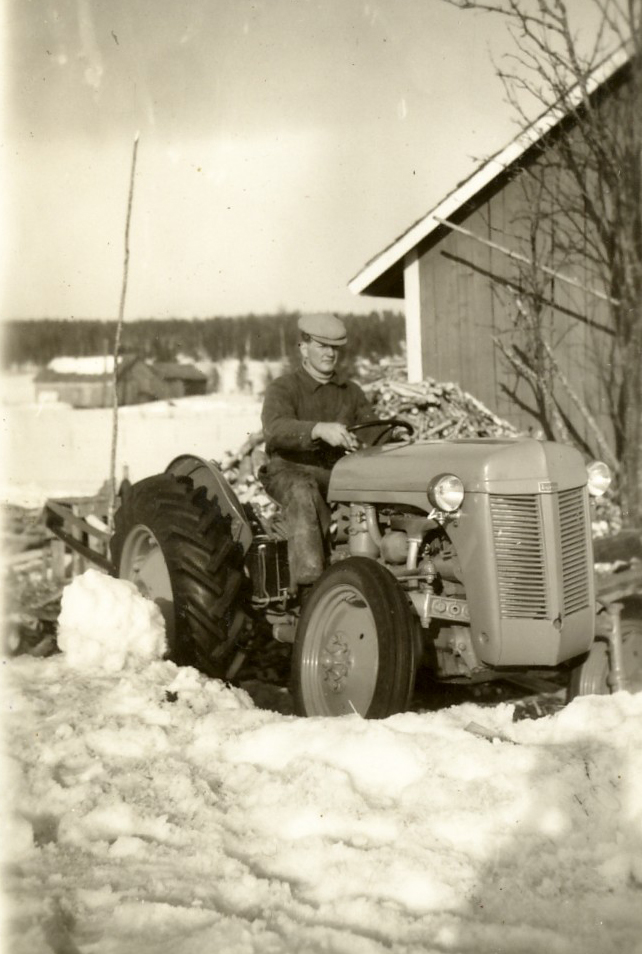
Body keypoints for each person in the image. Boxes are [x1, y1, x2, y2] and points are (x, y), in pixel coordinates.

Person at [260, 313, 373, 588]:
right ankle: (311, 586)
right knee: (303, 491)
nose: (330, 353)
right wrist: (318, 429)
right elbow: (275, 428)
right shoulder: (284, 388)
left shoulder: (351, 392)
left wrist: (394, 438)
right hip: (288, 470)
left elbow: (373, 431)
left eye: (334, 347)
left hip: (338, 473)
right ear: (303, 348)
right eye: (322, 346)